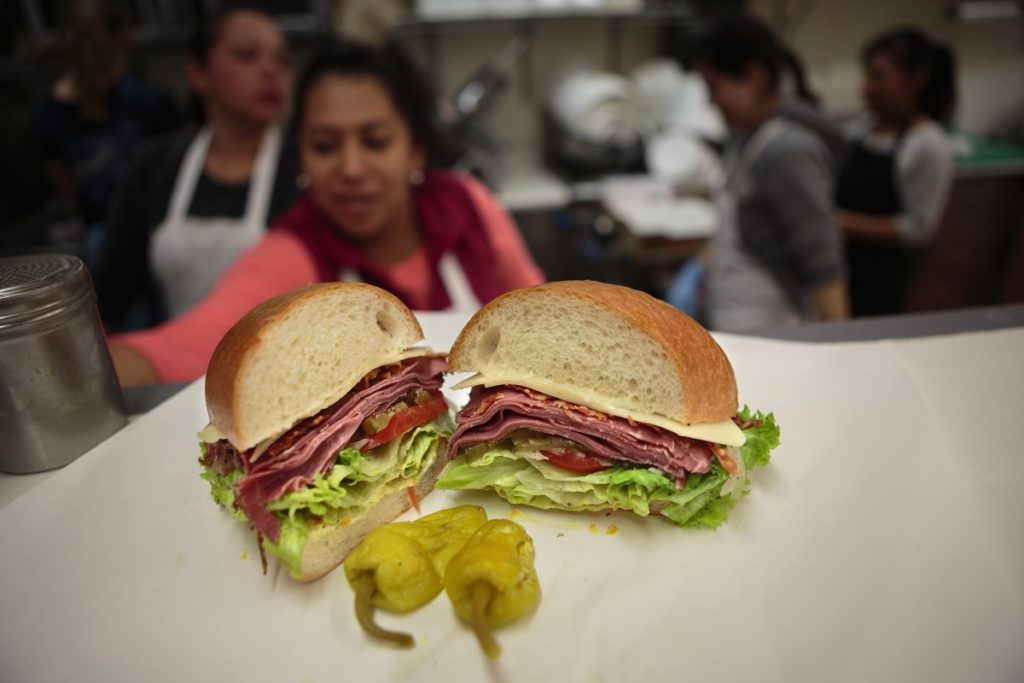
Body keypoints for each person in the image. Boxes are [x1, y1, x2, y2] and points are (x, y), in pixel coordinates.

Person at [109, 40, 544, 387]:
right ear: (301, 157)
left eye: (375, 141)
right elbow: (190, 345)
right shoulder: (296, 251)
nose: (351, 169)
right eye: (324, 147)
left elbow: (538, 314)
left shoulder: (466, 204)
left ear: (415, 150)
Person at [92, 3, 298, 329]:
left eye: (282, 60)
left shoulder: (304, 167)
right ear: (198, 75)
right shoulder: (155, 166)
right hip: (182, 370)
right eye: (247, 55)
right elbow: (110, 299)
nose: (271, 70)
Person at [693, 15, 848, 332]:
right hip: (735, 322)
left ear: (755, 77)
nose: (710, 101)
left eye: (714, 87)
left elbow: (824, 269)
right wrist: (699, 267)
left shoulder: (788, 153)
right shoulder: (745, 137)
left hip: (775, 332)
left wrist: (837, 344)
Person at [29, 0, 180, 241]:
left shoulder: (44, 113)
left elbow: (65, 188)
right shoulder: (148, 100)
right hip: (148, 224)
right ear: (122, 40)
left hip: (112, 229)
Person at [836, 28, 956, 316]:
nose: (867, 87)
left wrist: (839, 222)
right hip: (842, 271)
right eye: (866, 76)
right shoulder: (860, 130)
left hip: (881, 281)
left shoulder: (927, 146)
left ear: (916, 79)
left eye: (879, 77)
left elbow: (917, 229)